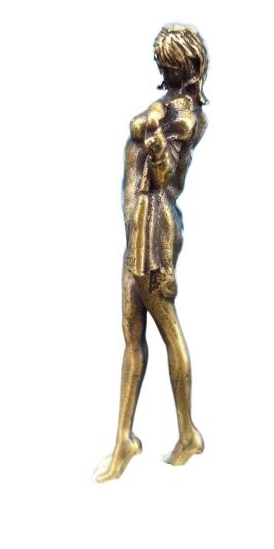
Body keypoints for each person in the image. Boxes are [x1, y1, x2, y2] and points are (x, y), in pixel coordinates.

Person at [95, 24, 209, 482]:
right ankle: (124, 438)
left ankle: (187, 433)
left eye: (166, 60)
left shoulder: (185, 119)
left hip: (153, 231)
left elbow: (165, 177)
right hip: (136, 229)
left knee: (166, 328)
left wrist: (155, 139)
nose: (161, 65)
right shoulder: (169, 109)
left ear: (179, 66)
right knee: (132, 333)